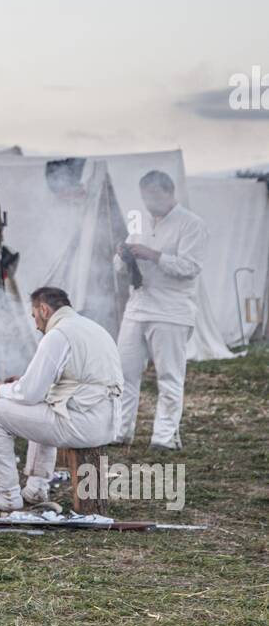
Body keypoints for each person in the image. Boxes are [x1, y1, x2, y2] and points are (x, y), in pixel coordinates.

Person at [0, 286, 124, 512]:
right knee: (43, 405)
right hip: (106, 421)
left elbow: (29, 394)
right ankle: (36, 488)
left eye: (34, 316)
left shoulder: (58, 335)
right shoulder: (92, 328)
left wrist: (1, 389)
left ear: (44, 309)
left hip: (81, 423)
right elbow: (74, 381)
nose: (36, 324)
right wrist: (21, 383)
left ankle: (7, 496)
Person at [115, 170, 208, 450]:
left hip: (172, 310)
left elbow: (191, 267)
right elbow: (120, 270)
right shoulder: (140, 222)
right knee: (124, 372)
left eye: (154, 196)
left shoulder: (191, 224)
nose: (148, 202)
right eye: (145, 196)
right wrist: (123, 257)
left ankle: (164, 437)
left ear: (169, 193)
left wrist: (154, 255)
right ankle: (120, 431)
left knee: (169, 376)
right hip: (138, 306)